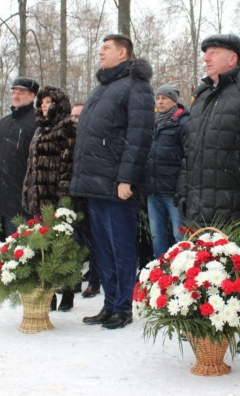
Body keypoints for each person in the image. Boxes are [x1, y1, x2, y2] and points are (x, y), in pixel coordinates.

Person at [177, 34, 240, 353]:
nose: (206, 58)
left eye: (214, 52)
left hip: (238, 198)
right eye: (205, 52)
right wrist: (183, 188)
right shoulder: (204, 95)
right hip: (201, 198)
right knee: (205, 265)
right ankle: (208, 321)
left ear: (232, 58)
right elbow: (190, 149)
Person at [70, 34, 155, 330]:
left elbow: (139, 136)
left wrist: (127, 178)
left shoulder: (137, 86)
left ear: (123, 53)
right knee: (102, 249)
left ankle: (123, 307)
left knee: (121, 247)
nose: (100, 52)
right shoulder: (101, 88)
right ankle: (109, 305)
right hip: (94, 183)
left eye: (106, 48)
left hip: (117, 184)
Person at [22, 86, 76, 311]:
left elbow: (69, 164)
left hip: (56, 198)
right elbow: (31, 166)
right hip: (38, 197)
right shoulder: (38, 130)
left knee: (63, 247)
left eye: (49, 102)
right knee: (43, 247)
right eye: (41, 102)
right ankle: (49, 293)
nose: (44, 106)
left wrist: (64, 197)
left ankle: (68, 292)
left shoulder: (68, 128)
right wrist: (27, 191)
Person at [0, 77, 39, 237]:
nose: (16, 96)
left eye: (21, 93)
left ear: (32, 96)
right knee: (8, 243)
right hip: (4, 195)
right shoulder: (4, 123)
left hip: (27, 196)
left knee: (26, 246)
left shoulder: (38, 121)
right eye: (14, 92)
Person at [145, 84, 189, 259]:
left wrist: (182, 186)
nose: (160, 101)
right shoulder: (153, 122)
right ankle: (160, 272)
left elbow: (189, 154)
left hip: (173, 191)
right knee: (157, 235)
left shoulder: (183, 122)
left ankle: (183, 271)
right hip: (153, 190)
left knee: (180, 235)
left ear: (174, 100)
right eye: (158, 98)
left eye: (164, 98)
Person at [69, 103, 101, 299]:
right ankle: (72, 280)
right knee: (74, 241)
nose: (75, 120)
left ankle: (95, 281)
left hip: (91, 194)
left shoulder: (94, 137)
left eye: (79, 116)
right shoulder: (66, 138)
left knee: (94, 242)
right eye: (73, 116)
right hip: (71, 195)